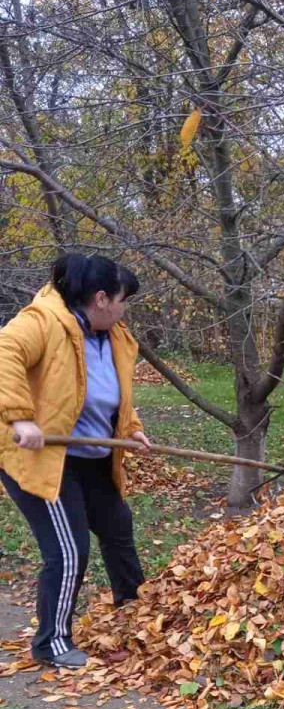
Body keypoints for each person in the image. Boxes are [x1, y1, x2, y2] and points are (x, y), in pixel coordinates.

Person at [0, 253, 151, 667]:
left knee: (117, 526)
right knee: (68, 550)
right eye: (123, 300)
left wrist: (130, 427)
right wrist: (20, 417)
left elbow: (112, 392)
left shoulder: (113, 335)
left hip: (90, 454)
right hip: (41, 454)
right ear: (101, 298)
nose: (125, 309)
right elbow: (3, 352)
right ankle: (51, 642)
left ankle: (138, 611)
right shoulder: (43, 321)